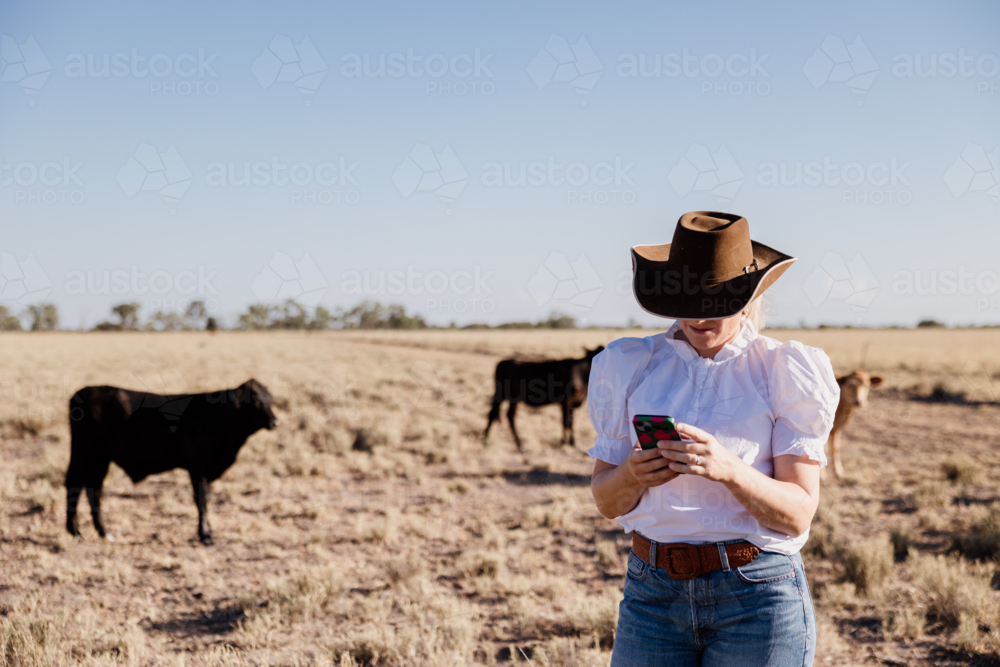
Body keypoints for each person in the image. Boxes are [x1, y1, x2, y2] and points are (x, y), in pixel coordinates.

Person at [588, 211, 839, 666]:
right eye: (685, 299)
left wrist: (730, 470)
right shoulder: (629, 366)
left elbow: (798, 514)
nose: (697, 316)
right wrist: (632, 473)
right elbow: (607, 502)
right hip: (652, 596)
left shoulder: (783, 371)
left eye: (714, 301)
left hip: (758, 599)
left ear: (747, 300)